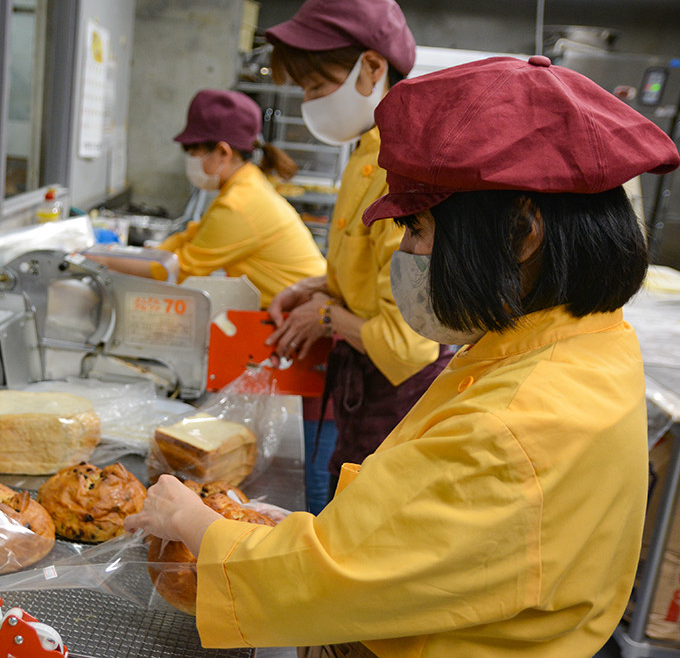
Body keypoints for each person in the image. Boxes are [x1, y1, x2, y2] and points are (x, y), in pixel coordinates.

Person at [126, 55, 680, 657]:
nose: (407, 256)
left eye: (417, 230)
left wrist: (194, 523)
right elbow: (426, 542)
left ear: (523, 233)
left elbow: (333, 578)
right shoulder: (584, 343)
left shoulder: (515, 425)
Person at [262, 0, 451, 504]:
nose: (309, 102)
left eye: (317, 84)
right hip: (363, 380)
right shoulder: (368, 149)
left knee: (362, 516)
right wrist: (315, 287)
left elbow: (411, 344)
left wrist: (328, 317)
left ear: (371, 67)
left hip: (397, 393)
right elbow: (369, 270)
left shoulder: (404, 166)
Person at [157, 88, 327, 308]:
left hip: (304, 314)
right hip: (294, 309)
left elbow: (178, 271)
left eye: (194, 152)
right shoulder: (246, 184)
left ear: (223, 153)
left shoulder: (239, 204)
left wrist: (107, 262)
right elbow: (193, 235)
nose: (191, 160)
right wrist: (142, 256)